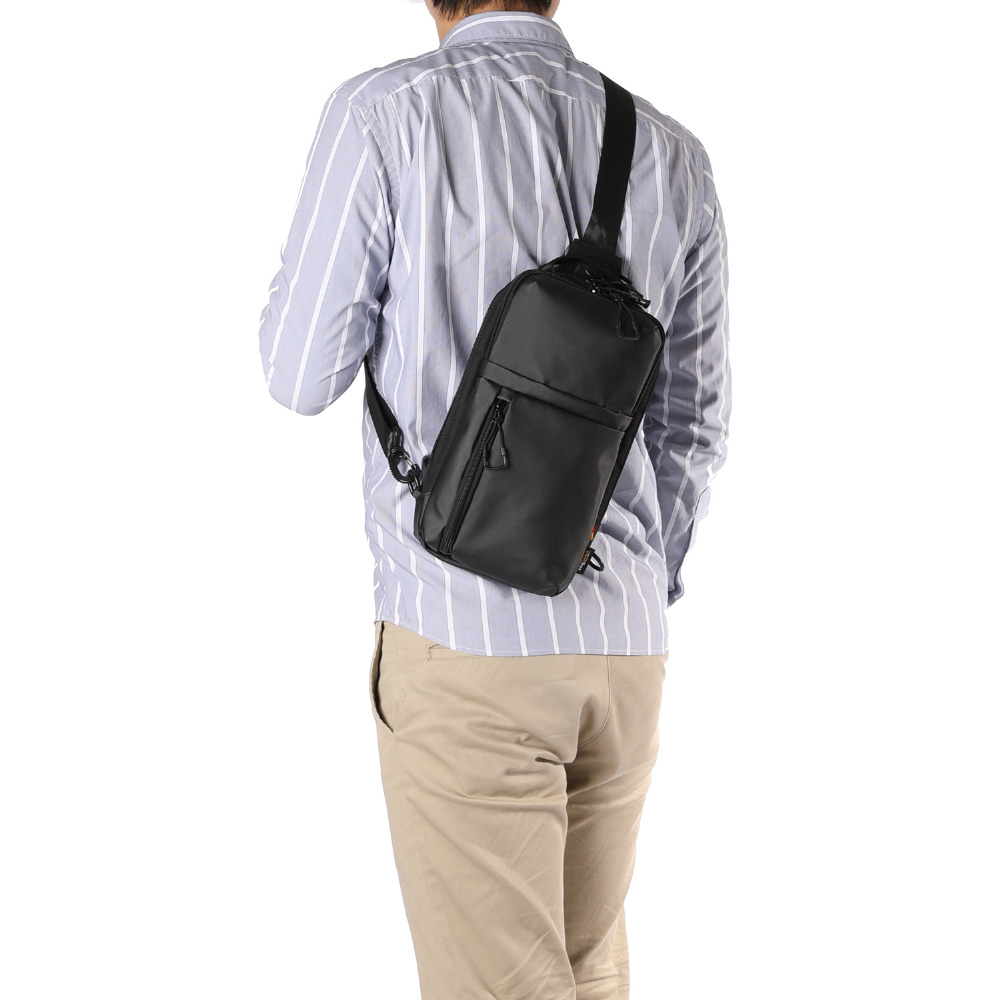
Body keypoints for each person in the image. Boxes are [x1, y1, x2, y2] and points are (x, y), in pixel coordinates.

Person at [257, 0, 731, 995]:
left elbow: (299, 374)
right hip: (625, 656)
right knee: (586, 973)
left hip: (465, 638)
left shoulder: (384, 115)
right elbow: (695, 422)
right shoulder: (671, 153)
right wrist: (634, 580)